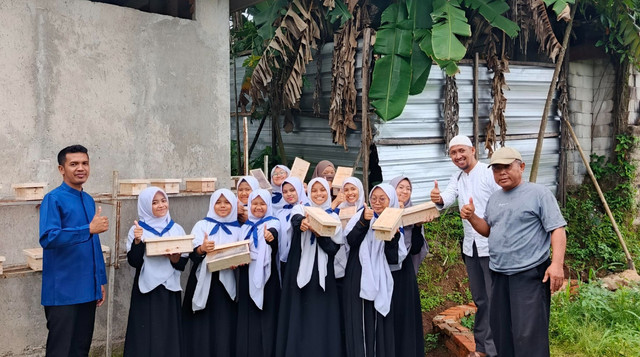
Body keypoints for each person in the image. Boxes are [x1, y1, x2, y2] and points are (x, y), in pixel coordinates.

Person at [460, 147, 566, 357]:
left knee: (528, 334)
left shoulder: (538, 193)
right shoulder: (495, 198)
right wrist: (472, 217)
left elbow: (557, 229)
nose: (502, 173)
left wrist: (556, 264)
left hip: (529, 274)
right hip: (499, 274)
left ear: (521, 167)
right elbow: (489, 230)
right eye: (497, 169)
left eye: (507, 167)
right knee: (501, 330)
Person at [430, 135, 500, 357]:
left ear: (472, 150)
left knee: (494, 299)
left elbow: (502, 202)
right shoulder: (457, 178)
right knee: (480, 299)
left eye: (462, 151)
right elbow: (448, 198)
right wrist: (438, 198)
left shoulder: (489, 173)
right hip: (471, 248)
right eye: (453, 153)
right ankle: (482, 349)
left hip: (493, 246)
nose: (458, 156)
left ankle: (496, 347)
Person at [39, 144, 108, 356]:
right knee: (61, 350)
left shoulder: (88, 200)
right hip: (63, 291)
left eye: (85, 163)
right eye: (74, 164)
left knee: (81, 348)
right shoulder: (54, 199)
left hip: (88, 289)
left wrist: (100, 281)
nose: (81, 168)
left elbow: (93, 243)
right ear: (62, 169)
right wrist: (87, 229)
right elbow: (48, 237)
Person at [276, 178, 343, 357]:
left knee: (320, 315)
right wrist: (303, 224)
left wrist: (318, 232)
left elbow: (333, 249)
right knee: (298, 311)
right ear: (308, 193)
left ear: (328, 193)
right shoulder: (301, 209)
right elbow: (296, 220)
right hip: (298, 269)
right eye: (314, 190)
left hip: (322, 274)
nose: (319, 194)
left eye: (322, 190)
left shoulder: (334, 217)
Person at [123, 187, 187, 357]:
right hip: (146, 289)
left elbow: (182, 264)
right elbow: (134, 262)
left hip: (169, 289)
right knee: (145, 335)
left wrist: (174, 258)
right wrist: (138, 241)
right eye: (154, 202)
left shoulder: (176, 229)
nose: (161, 205)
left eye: (163, 200)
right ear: (145, 205)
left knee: (168, 333)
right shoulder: (137, 230)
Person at [343, 183, 404, 357]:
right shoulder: (360, 216)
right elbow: (351, 241)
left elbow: (394, 258)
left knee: (378, 324)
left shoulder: (394, 220)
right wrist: (364, 221)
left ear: (390, 200)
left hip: (381, 276)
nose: (377, 203)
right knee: (359, 322)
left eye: (382, 199)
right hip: (358, 274)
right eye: (373, 198)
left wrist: (392, 236)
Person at [182, 189, 242, 357]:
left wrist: (236, 262)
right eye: (218, 202)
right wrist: (202, 248)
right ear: (211, 204)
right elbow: (192, 255)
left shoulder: (239, 228)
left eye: (227, 202)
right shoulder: (202, 225)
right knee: (202, 323)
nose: (222, 206)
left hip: (227, 282)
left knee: (224, 324)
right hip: (205, 281)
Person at [236, 190, 281, 357]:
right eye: (254, 204)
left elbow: (275, 238)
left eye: (262, 204)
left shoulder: (273, 222)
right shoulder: (245, 226)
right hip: (247, 272)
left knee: (265, 315)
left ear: (268, 205)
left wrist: (271, 237)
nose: (258, 207)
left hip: (267, 275)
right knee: (248, 315)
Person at [389, 176, 425, 357]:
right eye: (400, 187)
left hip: (405, 271)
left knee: (406, 313)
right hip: (386, 271)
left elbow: (415, 248)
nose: (404, 191)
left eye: (408, 188)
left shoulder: (414, 213)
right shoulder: (383, 211)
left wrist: (417, 226)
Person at [276, 176, 309, 275]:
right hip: (283, 258)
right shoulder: (280, 212)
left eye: (292, 190)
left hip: (301, 257)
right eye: (285, 192)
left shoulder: (308, 209)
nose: (288, 194)